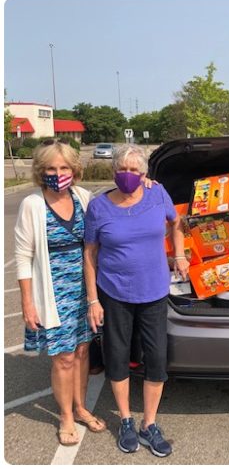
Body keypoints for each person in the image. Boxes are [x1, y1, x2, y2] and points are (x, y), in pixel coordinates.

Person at [83, 144, 189, 457]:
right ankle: (127, 420)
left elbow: (176, 223)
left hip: (154, 292)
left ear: (144, 175)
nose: (128, 176)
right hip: (114, 293)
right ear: (114, 170)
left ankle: (149, 423)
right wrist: (93, 300)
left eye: (135, 171)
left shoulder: (157, 194)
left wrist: (179, 254)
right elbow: (89, 254)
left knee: (156, 359)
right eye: (123, 170)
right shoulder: (99, 207)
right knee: (116, 357)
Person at [14, 140, 107, 446]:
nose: (58, 173)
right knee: (63, 358)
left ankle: (80, 408)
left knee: (82, 352)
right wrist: (27, 303)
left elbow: (99, 235)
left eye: (64, 167)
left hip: (83, 291)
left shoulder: (83, 197)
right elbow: (23, 257)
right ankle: (66, 416)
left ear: (74, 169)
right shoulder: (33, 204)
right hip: (51, 293)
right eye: (51, 168)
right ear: (41, 171)